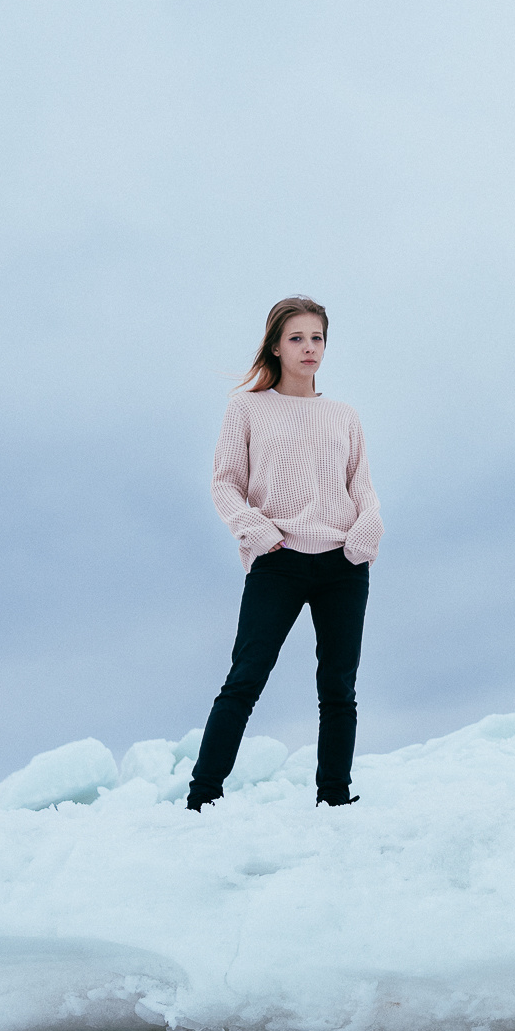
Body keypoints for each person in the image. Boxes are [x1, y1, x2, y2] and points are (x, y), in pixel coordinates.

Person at [186, 297, 383, 811]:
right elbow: (224, 483)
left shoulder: (344, 415)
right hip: (278, 560)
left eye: (316, 338)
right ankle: (201, 799)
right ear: (276, 345)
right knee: (245, 678)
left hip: (343, 563)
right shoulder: (248, 407)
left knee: (339, 687)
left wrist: (368, 533)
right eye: (297, 338)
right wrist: (254, 529)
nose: (309, 348)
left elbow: (362, 487)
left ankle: (335, 802)